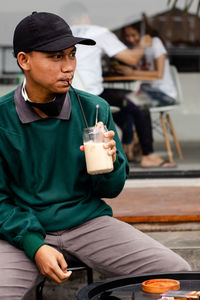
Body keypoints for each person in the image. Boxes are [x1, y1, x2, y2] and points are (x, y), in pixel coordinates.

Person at [0, 11, 191, 300]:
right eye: (55, 57)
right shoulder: (3, 117)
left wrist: (111, 164)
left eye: (72, 55)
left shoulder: (94, 109)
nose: (68, 67)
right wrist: (34, 245)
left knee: (178, 276)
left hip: (87, 224)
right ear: (24, 60)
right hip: (22, 231)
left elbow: (110, 190)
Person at [67, 2, 175, 167]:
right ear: (86, 17)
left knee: (124, 105)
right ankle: (148, 155)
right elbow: (132, 58)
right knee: (138, 101)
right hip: (93, 95)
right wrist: (142, 44)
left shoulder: (61, 35)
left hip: (69, 94)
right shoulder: (98, 32)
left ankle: (127, 145)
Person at [115, 22, 177, 107]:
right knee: (119, 100)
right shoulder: (135, 48)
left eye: (134, 35)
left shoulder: (155, 43)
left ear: (143, 33)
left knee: (128, 104)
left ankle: (138, 120)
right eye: (127, 36)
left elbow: (159, 74)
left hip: (164, 93)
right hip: (146, 91)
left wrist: (132, 72)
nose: (131, 39)